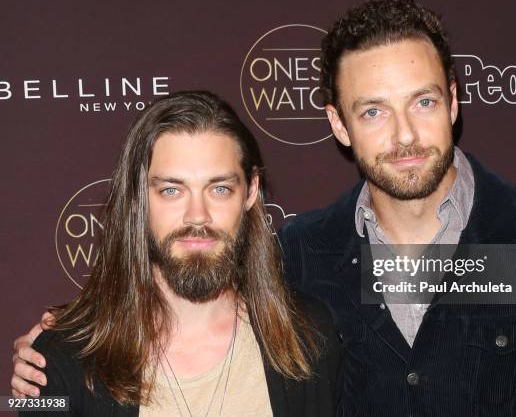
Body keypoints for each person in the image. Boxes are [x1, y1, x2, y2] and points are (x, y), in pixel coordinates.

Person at [12, 0, 516, 416]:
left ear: (453, 102)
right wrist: (49, 353)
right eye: (373, 110)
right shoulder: (303, 254)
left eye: (423, 102)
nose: (404, 136)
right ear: (339, 124)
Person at [13, 91, 341, 416]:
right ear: (138, 196)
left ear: (251, 191)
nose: (197, 215)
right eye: (171, 190)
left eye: (219, 189)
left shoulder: (309, 339)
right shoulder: (59, 359)